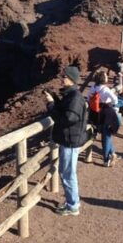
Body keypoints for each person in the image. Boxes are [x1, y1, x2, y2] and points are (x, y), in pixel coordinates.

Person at [45, 66, 88, 216]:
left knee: (68, 174)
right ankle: (73, 202)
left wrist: (51, 105)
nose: (62, 79)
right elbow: (66, 111)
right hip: (70, 139)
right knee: (68, 173)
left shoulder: (75, 97)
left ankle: (73, 206)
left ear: (71, 79)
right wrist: (54, 99)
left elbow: (68, 118)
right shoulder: (72, 95)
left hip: (70, 141)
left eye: (64, 77)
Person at [87, 71, 119, 166]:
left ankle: (112, 153)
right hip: (107, 113)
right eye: (106, 76)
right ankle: (106, 159)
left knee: (105, 135)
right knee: (106, 136)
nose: (107, 77)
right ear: (103, 79)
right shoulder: (105, 89)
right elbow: (115, 100)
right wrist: (108, 101)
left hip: (96, 114)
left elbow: (88, 99)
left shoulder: (93, 88)